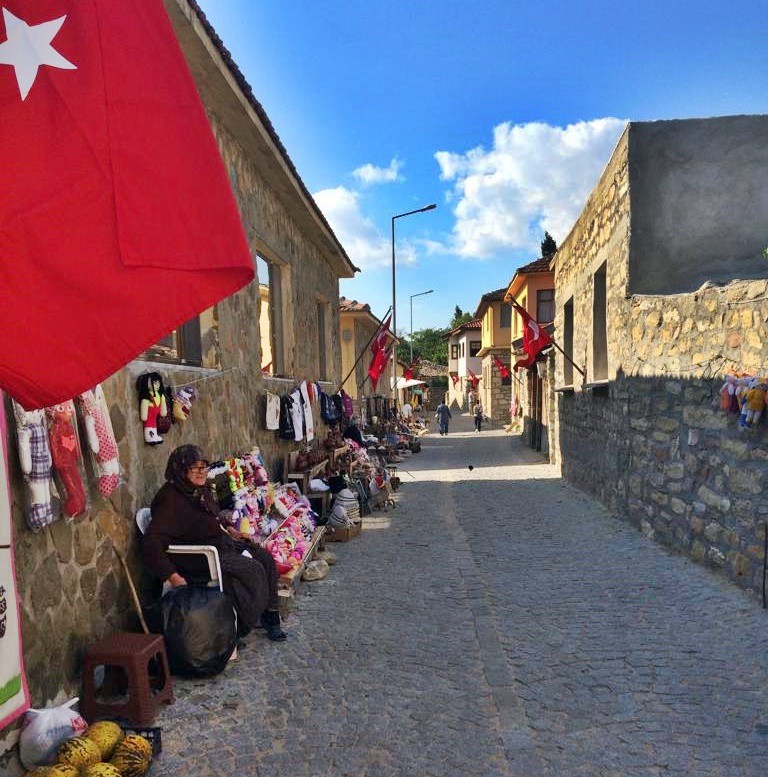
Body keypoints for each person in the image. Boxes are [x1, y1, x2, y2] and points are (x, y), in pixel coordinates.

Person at [143, 445, 287, 641]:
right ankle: (238, 628)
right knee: (251, 570)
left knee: (265, 558)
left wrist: (232, 530)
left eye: (204, 467)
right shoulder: (170, 499)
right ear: (180, 469)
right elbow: (152, 542)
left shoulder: (199, 490)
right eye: (195, 468)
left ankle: (270, 614)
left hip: (221, 542)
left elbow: (213, 517)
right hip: (198, 556)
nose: (201, 472)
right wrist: (172, 576)